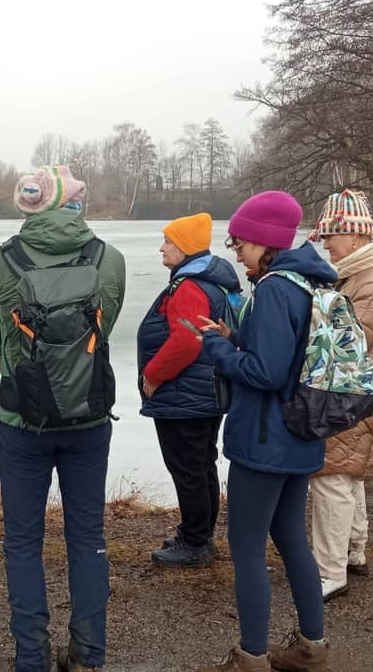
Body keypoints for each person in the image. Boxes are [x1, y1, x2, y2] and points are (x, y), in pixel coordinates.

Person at [0, 166, 126, 672]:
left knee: (22, 541)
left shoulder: (3, 262)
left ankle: (31, 659)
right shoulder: (111, 259)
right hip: (89, 419)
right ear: (75, 205)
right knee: (88, 538)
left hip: (22, 422)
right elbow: (102, 335)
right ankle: (88, 657)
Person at [196, 191, 333, 672]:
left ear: (264, 241)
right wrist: (236, 337)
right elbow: (286, 355)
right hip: (300, 431)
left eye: (239, 242)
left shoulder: (276, 287)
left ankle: (251, 657)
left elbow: (267, 373)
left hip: (265, 438)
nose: (234, 251)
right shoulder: (306, 281)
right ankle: (311, 647)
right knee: (291, 535)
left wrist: (217, 351)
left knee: (248, 547)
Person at [306, 190, 373, 601]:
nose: (326, 243)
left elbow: (350, 340)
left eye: (332, 235)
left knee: (331, 475)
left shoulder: (372, 279)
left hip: (353, 391)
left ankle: (329, 573)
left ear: (356, 236)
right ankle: (354, 550)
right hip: (364, 389)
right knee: (350, 468)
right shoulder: (359, 273)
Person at [136, 212, 240, 568]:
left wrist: (152, 374)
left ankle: (196, 542)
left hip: (185, 395)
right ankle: (198, 533)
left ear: (185, 248)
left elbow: (186, 341)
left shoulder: (190, 287)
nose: (161, 248)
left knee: (187, 468)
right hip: (204, 392)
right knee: (200, 463)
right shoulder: (210, 281)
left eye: (168, 242)